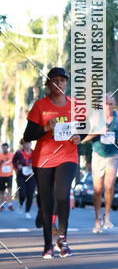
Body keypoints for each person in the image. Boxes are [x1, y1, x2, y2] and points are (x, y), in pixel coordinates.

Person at [22, 67, 83, 258]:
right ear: (48, 84)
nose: (59, 83)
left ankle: (62, 239)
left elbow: (85, 128)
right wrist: (46, 127)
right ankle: (48, 244)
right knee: (47, 202)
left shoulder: (76, 105)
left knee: (62, 195)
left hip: (68, 156)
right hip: (43, 159)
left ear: (67, 83)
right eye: (54, 80)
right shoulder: (40, 106)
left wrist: (80, 137)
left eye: (62, 80)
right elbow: (28, 136)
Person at [90, 94, 118, 232]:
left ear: (114, 104)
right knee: (97, 190)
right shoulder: (95, 118)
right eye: (106, 103)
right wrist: (98, 131)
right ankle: (97, 219)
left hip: (113, 155)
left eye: (111, 103)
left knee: (109, 186)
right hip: (98, 154)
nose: (108, 106)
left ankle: (107, 215)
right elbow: (85, 136)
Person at [13, 141, 36, 217]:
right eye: (25, 143)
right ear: (23, 144)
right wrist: (17, 167)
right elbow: (13, 161)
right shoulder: (19, 153)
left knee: (30, 194)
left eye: (28, 143)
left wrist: (33, 165)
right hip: (21, 176)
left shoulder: (34, 152)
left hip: (31, 176)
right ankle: (21, 203)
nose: (27, 145)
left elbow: (38, 161)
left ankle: (27, 211)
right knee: (22, 193)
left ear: (31, 144)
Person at [0, 142, 14, 210]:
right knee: (2, 191)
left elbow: (15, 164)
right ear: (2, 148)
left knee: (9, 190)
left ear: (7, 148)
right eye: (3, 148)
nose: (5, 149)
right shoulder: (0, 155)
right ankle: (1, 205)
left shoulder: (12, 155)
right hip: (1, 176)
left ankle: (10, 205)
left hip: (9, 175)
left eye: (6, 148)